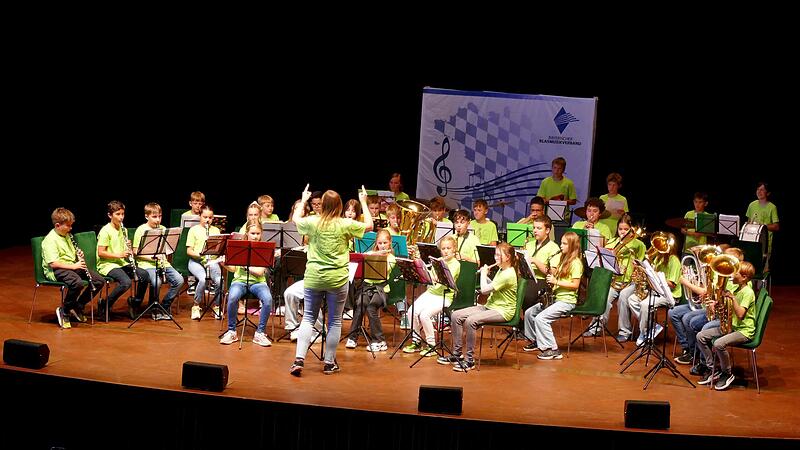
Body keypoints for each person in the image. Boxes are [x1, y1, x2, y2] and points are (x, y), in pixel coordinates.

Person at [289, 186, 373, 376]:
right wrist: (364, 203)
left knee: (309, 317)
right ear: (339, 206)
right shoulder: (345, 224)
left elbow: (295, 220)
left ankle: (299, 360)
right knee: (335, 320)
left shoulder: (312, 221)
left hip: (314, 277)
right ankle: (328, 363)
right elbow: (369, 225)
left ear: (323, 205)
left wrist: (303, 200)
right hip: (337, 279)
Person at [440, 243, 518, 371]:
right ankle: (457, 354)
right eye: (495, 254)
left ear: (508, 257)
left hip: (503, 311)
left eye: (499, 255)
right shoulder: (501, 269)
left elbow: (485, 291)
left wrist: (482, 274)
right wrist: (486, 275)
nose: (495, 257)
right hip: (491, 306)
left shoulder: (508, 274)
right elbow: (493, 285)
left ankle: (469, 360)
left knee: (471, 321)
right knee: (455, 315)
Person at [694, 261, 756, 390]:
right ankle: (713, 369)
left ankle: (727, 373)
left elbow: (740, 315)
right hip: (732, 327)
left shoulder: (748, 292)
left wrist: (732, 298)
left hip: (744, 331)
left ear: (744, 277)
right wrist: (718, 305)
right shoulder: (738, 289)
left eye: (736, 273)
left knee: (719, 344)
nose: (732, 275)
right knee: (701, 336)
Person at [523, 232, 583, 360]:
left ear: (572, 246)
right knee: (529, 313)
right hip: (556, 298)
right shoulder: (563, 259)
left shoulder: (576, 263)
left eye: (564, 244)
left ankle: (552, 349)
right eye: (561, 242)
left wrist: (556, 282)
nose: (561, 246)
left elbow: (575, 285)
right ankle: (537, 341)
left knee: (541, 318)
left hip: (567, 301)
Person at [42, 207, 105, 328]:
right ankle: (64, 310)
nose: (71, 229)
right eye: (68, 226)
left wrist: (78, 255)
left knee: (98, 281)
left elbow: (70, 255)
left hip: (71, 266)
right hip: (57, 270)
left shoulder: (67, 236)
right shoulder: (50, 240)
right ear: (57, 225)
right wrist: (74, 265)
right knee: (77, 283)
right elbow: (54, 263)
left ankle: (77, 306)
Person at [585, 214, 645, 337]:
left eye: (626, 229)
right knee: (604, 299)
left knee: (623, 298)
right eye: (620, 229)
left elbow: (642, 264)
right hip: (614, 280)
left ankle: (624, 331)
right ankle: (595, 328)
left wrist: (635, 265)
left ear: (631, 229)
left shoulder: (638, 244)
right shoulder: (612, 242)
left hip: (630, 282)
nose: (622, 232)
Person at [219, 220, 273, 347]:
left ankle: (260, 333)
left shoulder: (264, 248)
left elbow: (260, 272)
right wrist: (224, 263)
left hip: (258, 283)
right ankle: (232, 331)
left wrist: (246, 266)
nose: (255, 236)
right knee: (232, 297)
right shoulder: (240, 247)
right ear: (247, 233)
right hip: (240, 281)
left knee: (268, 299)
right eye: (253, 233)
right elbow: (233, 269)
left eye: (258, 233)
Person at [403, 235, 460, 356]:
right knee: (411, 311)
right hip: (431, 293)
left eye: (448, 248)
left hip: (445, 296)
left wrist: (433, 274)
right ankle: (416, 341)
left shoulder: (455, 264)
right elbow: (431, 278)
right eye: (443, 248)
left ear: (454, 249)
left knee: (425, 315)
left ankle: (431, 345)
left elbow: (444, 280)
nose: (445, 251)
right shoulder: (438, 261)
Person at [95, 200, 149, 321]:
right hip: (107, 264)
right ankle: (105, 303)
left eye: (122, 214)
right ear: (110, 215)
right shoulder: (105, 230)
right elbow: (101, 252)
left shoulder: (123, 230)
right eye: (117, 214)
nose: (121, 217)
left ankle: (135, 302)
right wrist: (120, 254)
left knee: (144, 275)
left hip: (121, 263)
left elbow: (123, 250)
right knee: (126, 282)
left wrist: (127, 247)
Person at [626, 232, 682, 347]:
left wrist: (654, 275)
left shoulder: (674, 260)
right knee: (632, 299)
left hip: (669, 294)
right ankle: (652, 326)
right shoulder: (658, 257)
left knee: (645, 304)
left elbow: (672, 284)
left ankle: (644, 332)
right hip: (656, 291)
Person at [345, 229, 395, 351]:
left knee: (371, 307)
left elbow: (385, 272)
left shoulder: (391, 258)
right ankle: (353, 337)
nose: (382, 246)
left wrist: (376, 256)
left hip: (382, 289)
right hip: (367, 286)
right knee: (360, 304)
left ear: (390, 243)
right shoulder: (370, 254)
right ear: (376, 243)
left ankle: (379, 340)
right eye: (380, 243)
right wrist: (368, 256)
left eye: (385, 243)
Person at [133, 202, 185, 320]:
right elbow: (135, 251)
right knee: (157, 282)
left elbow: (168, 248)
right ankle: (153, 309)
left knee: (179, 280)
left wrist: (166, 253)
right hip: (146, 264)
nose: (158, 220)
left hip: (163, 263)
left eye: (160, 216)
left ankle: (164, 306)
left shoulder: (163, 229)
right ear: (147, 216)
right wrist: (151, 257)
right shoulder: (141, 230)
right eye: (154, 217)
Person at [186, 204, 223, 320]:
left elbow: (219, 249)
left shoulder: (216, 230)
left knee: (219, 280)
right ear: (200, 216)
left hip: (211, 261)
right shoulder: (193, 230)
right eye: (205, 217)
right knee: (202, 279)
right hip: (196, 261)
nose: (207, 220)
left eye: (210, 217)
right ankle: (196, 306)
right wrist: (201, 255)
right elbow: (189, 251)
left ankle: (217, 306)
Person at [521, 216, 561, 313]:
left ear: (547, 230)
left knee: (526, 295)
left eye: (539, 228)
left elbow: (552, 272)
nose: (535, 231)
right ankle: (519, 323)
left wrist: (535, 261)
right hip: (526, 278)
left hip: (542, 280)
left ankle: (526, 323)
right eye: (534, 228)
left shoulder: (554, 247)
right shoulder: (529, 244)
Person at [746, 181, 779, 261]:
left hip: (765, 243)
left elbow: (776, 227)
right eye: (758, 189)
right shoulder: (752, 205)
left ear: (768, 193)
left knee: (763, 268)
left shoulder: (772, 207)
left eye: (762, 190)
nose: (759, 191)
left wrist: (761, 226)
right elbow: (749, 222)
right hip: (752, 241)